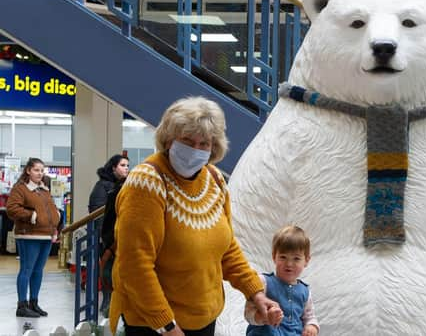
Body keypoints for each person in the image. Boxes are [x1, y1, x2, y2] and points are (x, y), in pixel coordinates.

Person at [110, 96, 282, 336]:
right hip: (156, 325)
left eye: (205, 143)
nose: (196, 149)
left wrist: (255, 292)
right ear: (169, 140)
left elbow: (227, 248)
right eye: (188, 141)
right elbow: (134, 265)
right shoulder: (147, 182)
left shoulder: (214, 179)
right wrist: (167, 325)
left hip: (204, 319)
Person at [6, 157, 60, 318]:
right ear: (28, 170)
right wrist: (32, 216)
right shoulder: (21, 189)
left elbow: (50, 210)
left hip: (46, 235)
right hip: (28, 235)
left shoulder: (44, 190)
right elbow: (12, 209)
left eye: (42, 170)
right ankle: (22, 305)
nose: (40, 173)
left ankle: (33, 303)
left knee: (38, 271)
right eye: (36, 170)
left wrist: (55, 226)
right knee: (27, 269)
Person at [245, 226, 319, 336]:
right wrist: (263, 317)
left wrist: (311, 327)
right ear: (274, 256)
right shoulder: (263, 282)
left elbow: (310, 317)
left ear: (306, 261)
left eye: (296, 258)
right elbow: (248, 313)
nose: (289, 264)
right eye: (283, 257)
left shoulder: (305, 291)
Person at [90, 154, 129, 317]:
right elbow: (98, 212)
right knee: (108, 270)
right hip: (109, 238)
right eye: (122, 165)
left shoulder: (125, 185)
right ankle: (107, 304)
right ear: (113, 168)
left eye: (127, 165)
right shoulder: (103, 186)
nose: (126, 168)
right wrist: (106, 238)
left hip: (123, 236)